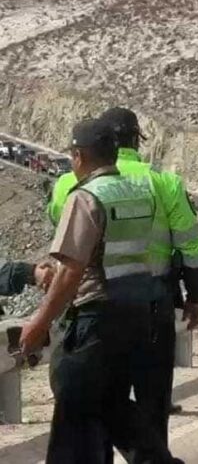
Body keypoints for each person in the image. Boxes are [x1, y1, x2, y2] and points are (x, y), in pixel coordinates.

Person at [48, 107, 198, 448]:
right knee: (151, 409)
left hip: (94, 311)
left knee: (105, 404)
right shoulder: (163, 182)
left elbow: (65, 250)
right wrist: (195, 297)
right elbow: (191, 244)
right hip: (153, 307)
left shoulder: (69, 183)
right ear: (137, 139)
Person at [20, 119, 179, 463]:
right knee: (113, 405)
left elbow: (70, 272)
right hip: (137, 316)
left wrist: (41, 322)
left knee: (73, 406)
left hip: (96, 318)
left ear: (78, 155)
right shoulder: (138, 192)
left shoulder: (87, 198)